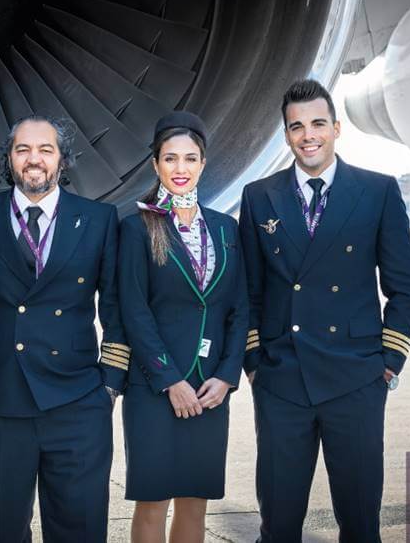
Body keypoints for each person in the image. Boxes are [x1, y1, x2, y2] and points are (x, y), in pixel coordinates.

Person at [239, 79, 410, 542]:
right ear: (286, 135)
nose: (308, 135)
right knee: (278, 523)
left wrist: (388, 362)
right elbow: (247, 293)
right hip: (283, 380)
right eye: (296, 127)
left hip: (356, 380)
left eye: (318, 123)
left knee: (360, 522)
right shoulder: (260, 196)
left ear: (337, 128)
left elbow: (403, 287)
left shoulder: (377, 191)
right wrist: (256, 364)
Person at [0, 115, 128, 543]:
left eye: (45, 150)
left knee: (81, 531)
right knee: (3, 531)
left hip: (77, 403)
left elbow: (115, 309)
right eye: (23, 150)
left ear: (62, 159)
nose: (33, 159)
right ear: (9, 160)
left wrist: (109, 385)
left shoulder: (98, 219)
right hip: (2, 401)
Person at [118, 111, 249, 543]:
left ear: (203, 164)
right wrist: (170, 379)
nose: (180, 169)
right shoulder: (136, 229)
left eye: (190, 159)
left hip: (210, 389)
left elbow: (238, 310)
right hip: (156, 387)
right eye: (170, 159)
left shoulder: (227, 229)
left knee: (195, 502)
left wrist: (227, 377)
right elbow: (134, 311)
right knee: (153, 502)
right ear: (155, 165)